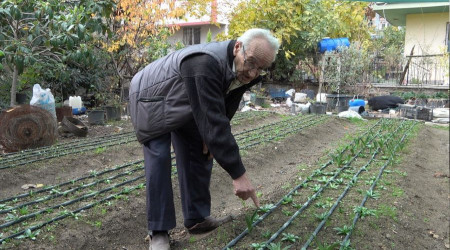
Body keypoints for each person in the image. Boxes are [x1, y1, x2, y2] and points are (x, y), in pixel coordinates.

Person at [129, 28, 280, 250]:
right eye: (251, 63)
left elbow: (225, 105)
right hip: (150, 96)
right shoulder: (205, 63)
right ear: (238, 47)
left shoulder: (245, 69)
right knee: (159, 155)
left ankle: (196, 218)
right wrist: (238, 174)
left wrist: (209, 138)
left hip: (184, 97)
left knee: (201, 148)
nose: (253, 73)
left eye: (261, 69)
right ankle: (158, 231)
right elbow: (214, 121)